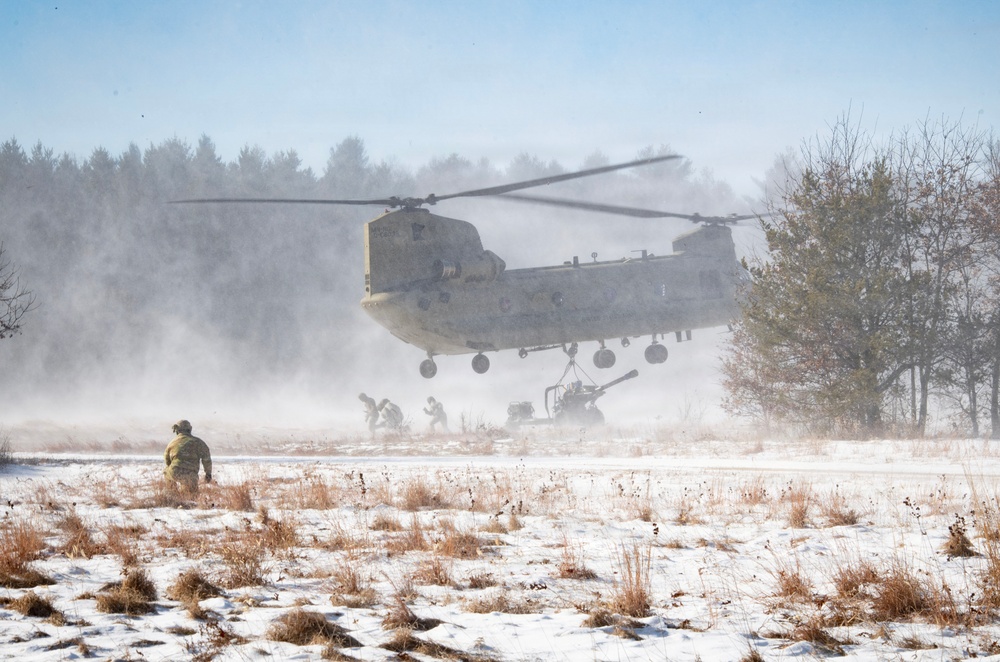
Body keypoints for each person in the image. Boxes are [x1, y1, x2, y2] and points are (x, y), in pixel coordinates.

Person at [163, 419, 212, 494]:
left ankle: (171, 493)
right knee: (190, 495)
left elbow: (167, 461)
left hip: (174, 471)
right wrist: (208, 473)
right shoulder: (199, 442)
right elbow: (207, 459)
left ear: (177, 430)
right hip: (191, 474)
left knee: (166, 472)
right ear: (190, 429)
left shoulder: (172, 443)